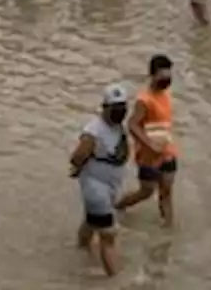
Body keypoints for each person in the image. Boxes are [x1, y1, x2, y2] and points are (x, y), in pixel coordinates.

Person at [69, 84, 131, 277]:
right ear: (105, 108)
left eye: (123, 109)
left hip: (111, 186)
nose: (120, 113)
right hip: (96, 188)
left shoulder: (118, 127)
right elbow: (77, 156)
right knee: (108, 234)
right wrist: (79, 166)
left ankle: (81, 246)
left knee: (91, 221)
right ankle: (114, 279)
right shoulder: (93, 131)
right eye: (116, 109)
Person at [116, 55, 178, 227]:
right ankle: (118, 207)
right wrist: (149, 144)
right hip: (148, 155)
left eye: (169, 76)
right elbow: (132, 124)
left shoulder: (166, 95)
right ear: (153, 75)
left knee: (166, 191)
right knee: (146, 191)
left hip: (168, 151)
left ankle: (168, 227)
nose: (167, 80)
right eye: (163, 76)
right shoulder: (144, 100)